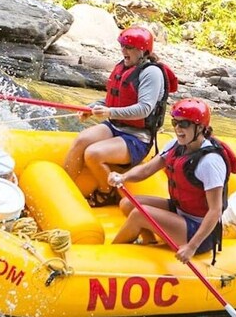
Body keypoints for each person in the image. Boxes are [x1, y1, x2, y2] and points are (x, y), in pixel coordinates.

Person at [108, 98, 236, 264]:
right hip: (180, 211)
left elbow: (215, 210)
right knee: (128, 203)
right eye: (175, 122)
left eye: (184, 124)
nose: (178, 128)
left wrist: (191, 246)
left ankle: (111, 255)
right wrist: (123, 177)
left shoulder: (210, 162)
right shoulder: (175, 145)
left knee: (139, 214)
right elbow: (147, 170)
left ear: (200, 128)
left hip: (199, 231)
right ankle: (149, 242)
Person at [64, 26, 175, 207]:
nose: (124, 50)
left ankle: (106, 192)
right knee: (81, 140)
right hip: (115, 126)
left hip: (138, 137)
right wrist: (92, 108)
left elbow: (144, 109)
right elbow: (113, 99)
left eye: (129, 47)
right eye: (123, 45)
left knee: (93, 154)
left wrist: (109, 112)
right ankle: (65, 191)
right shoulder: (124, 66)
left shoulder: (151, 73)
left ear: (143, 51)